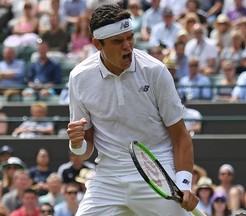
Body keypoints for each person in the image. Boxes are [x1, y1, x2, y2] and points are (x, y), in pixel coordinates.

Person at [67, 3, 199, 215]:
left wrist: (183, 184)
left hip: (159, 173)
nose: (127, 46)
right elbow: (85, 151)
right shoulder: (79, 77)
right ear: (97, 44)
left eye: (130, 37)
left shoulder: (155, 71)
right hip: (108, 177)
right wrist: (76, 143)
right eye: (118, 41)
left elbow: (181, 137)